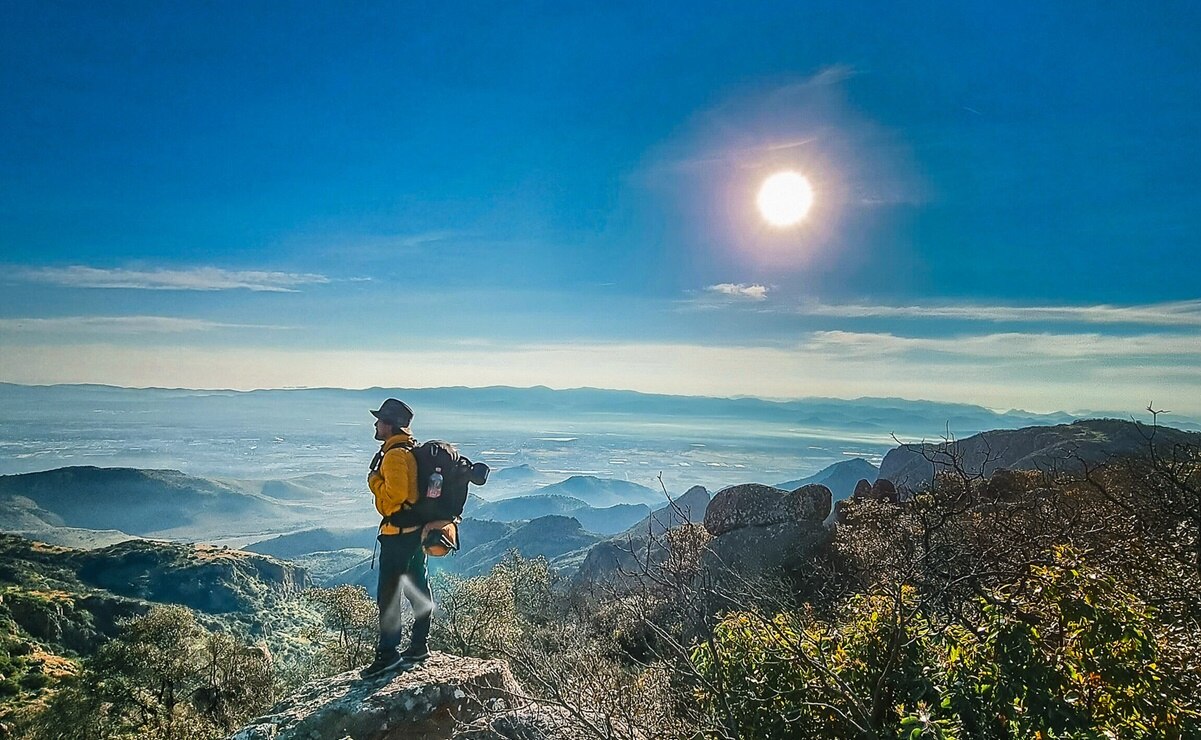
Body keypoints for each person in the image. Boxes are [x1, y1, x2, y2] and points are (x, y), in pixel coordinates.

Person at [362, 398, 433, 677]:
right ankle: (419, 644)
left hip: (398, 536)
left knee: (389, 596)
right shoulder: (407, 449)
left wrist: (374, 481)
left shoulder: (394, 455)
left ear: (389, 425)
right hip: (415, 534)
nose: (375, 424)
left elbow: (395, 499)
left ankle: (388, 654)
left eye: (379, 420)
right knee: (418, 587)